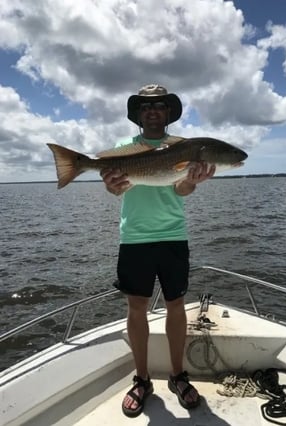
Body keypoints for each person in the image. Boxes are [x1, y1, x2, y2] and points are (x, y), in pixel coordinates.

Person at [101, 84, 215, 417]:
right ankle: (142, 379)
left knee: (175, 305)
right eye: (146, 106)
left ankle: (179, 376)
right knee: (136, 307)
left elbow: (180, 189)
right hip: (134, 237)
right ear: (138, 114)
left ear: (168, 113)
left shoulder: (185, 148)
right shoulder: (123, 149)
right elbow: (115, 189)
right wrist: (110, 186)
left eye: (160, 106)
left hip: (173, 236)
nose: (153, 110)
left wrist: (192, 181)